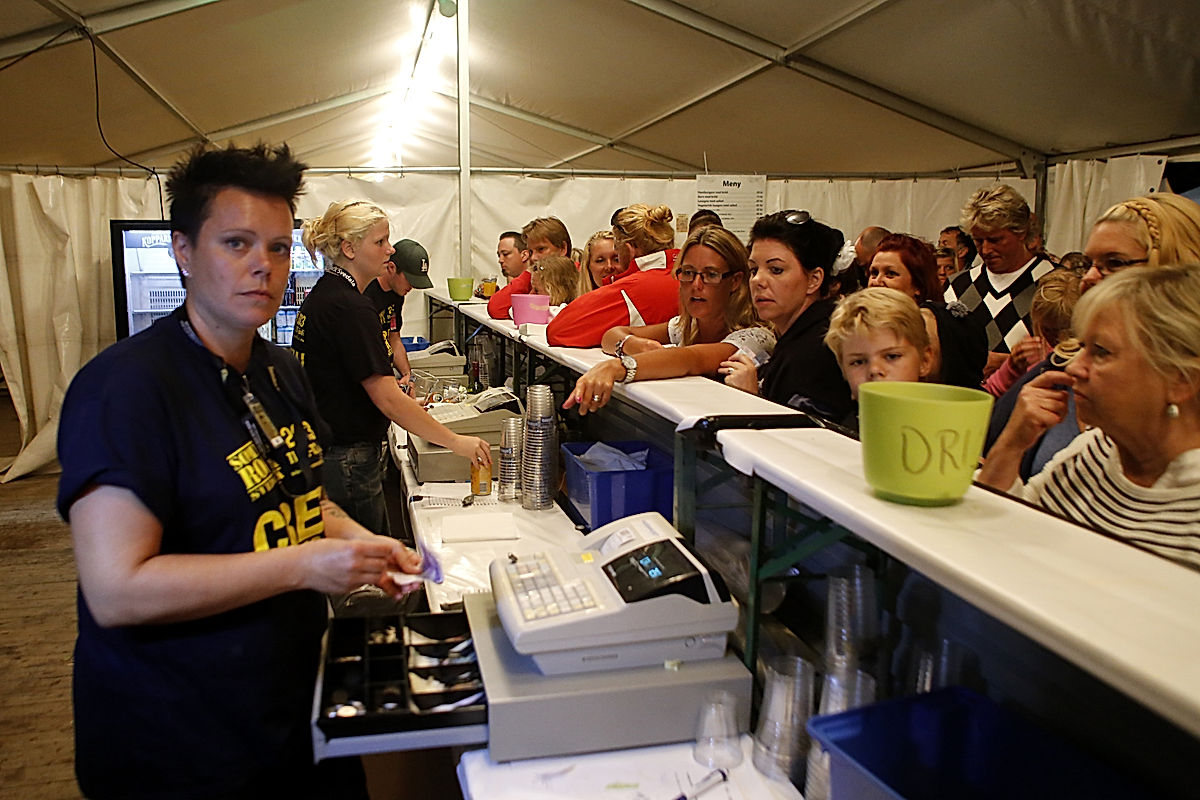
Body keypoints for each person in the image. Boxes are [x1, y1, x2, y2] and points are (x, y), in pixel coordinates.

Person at [56, 144, 419, 799]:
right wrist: (305, 566)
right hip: (180, 741)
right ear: (184, 252)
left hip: (293, 707)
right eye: (235, 243)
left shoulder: (277, 371)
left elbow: (303, 494)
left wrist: (353, 538)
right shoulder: (127, 389)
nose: (262, 265)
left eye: (278, 248)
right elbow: (117, 590)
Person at [978, 264, 1200, 572]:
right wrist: (1011, 445)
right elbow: (988, 541)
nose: (1073, 368)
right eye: (1082, 347)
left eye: (1101, 352)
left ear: (1181, 381)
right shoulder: (1094, 452)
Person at [294, 200, 489, 536]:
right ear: (349, 248)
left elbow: (343, 381)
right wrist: (457, 442)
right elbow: (385, 397)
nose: (391, 249)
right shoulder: (350, 308)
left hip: (331, 451)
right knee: (366, 571)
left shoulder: (328, 294)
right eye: (380, 241)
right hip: (347, 459)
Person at [984, 192, 1200, 481]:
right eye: (1089, 264)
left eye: (1113, 263)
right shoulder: (1062, 366)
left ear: (1174, 268)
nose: (1088, 278)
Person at [563, 225, 774, 414]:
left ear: (735, 281)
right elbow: (611, 335)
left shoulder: (755, 338)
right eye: (689, 273)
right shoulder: (685, 326)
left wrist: (616, 367)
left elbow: (690, 359)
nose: (696, 285)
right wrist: (633, 344)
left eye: (710, 275)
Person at [721, 210, 853, 422]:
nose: (757, 281)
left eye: (776, 269)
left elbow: (806, 444)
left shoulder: (820, 349)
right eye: (754, 270)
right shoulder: (803, 335)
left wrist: (752, 400)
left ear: (814, 279)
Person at [943, 184, 1056, 376]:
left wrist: (1006, 363)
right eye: (978, 241)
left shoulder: (1056, 287)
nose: (985, 250)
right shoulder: (958, 286)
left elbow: (1074, 355)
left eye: (995, 240)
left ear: (1021, 232)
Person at [547, 203, 681, 347]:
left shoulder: (631, 289)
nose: (610, 266)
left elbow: (558, 331)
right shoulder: (691, 273)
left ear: (629, 250)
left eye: (617, 250)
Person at [866, 232, 987, 389]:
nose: (877, 281)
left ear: (917, 286)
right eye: (874, 273)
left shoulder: (934, 326)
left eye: (890, 274)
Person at [823, 287, 934, 429]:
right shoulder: (837, 440)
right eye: (858, 362)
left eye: (891, 356)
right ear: (844, 372)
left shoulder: (952, 432)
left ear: (924, 360)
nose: (874, 370)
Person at [981, 268, 1078, 397]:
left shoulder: (1086, 362)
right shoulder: (1033, 349)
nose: (1056, 337)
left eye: (1064, 330)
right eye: (1047, 329)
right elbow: (990, 391)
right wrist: (1012, 367)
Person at [363, 238, 432, 381]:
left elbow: (394, 338)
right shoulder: (365, 293)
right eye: (410, 280)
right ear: (391, 268)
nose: (411, 287)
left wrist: (408, 376)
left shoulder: (397, 294)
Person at [488, 217, 571, 319]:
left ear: (563, 248)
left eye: (541, 249)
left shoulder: (581, 279)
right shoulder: (537, 276)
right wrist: (531, 272)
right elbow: (496, 308)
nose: (533, 258)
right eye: (531, 252)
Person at [576, 229, 622, 295]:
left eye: (616, 259)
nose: (609, 266)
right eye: (600, 261)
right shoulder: (578, 304)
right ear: (588, 267)